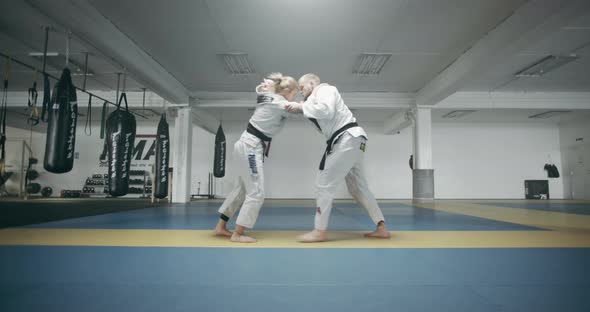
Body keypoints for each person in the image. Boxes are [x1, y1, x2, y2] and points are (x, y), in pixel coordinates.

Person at [286, 73, 391, 243]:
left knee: (323, 183)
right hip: (354, 141)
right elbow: (319, 116)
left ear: (312, 83)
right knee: (358, 188)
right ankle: (381, 227)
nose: (300, 90)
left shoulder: (325, 89)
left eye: (302, 86)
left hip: (347, 139)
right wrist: (299, 107)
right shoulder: (314, 100)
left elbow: (326, 110)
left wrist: (301, 107)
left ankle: (319, 231)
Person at [214, 73, 298, 243]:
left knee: (241, 189)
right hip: (250, 147)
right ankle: (238, 234)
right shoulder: (278, 102)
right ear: (286, 91)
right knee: (257, 192)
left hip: (245, 145)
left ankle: (220, 227)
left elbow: (260, 90)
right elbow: (298, 108)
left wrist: (268, 86)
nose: (295, 96)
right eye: (294, 92)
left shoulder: (269, 98)